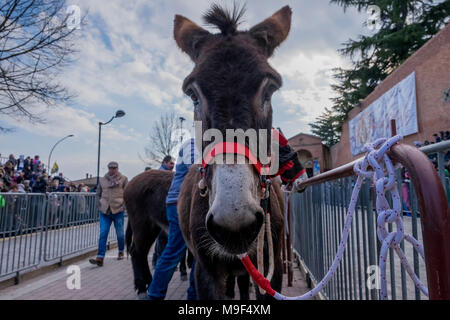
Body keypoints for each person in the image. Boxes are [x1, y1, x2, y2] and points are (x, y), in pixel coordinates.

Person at [148, 139, 199, 300]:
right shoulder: (193, 144)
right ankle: (155, 294)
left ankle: (194, 295)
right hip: (181, 203)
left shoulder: (205, 144)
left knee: (199, 254)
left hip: (192, 204)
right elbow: (197, 168)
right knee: (175, 250)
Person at [152, 155, 188, 281]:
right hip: (171, 206)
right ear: (165, 163)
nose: (172, 165)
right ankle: (158, 264)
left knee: (168, 242)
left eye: (173, 163)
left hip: (171, 205)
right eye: (171, 163)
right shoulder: (161, 174)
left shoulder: (174, 173)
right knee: (167, 241)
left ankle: (158, 264)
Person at [89, 161, 128, 267]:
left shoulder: (123, 179)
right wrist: (99, 206)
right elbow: (98, 194)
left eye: (114, 168)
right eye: (110, 168)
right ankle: (100, 257)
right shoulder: (102, 180)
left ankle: (121, 251)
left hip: (117, 211)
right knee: (103, 234)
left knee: (120, 234)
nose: (112, 170)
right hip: (105, 211)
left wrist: (124, 207)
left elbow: (127, 194)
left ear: (117, 168)